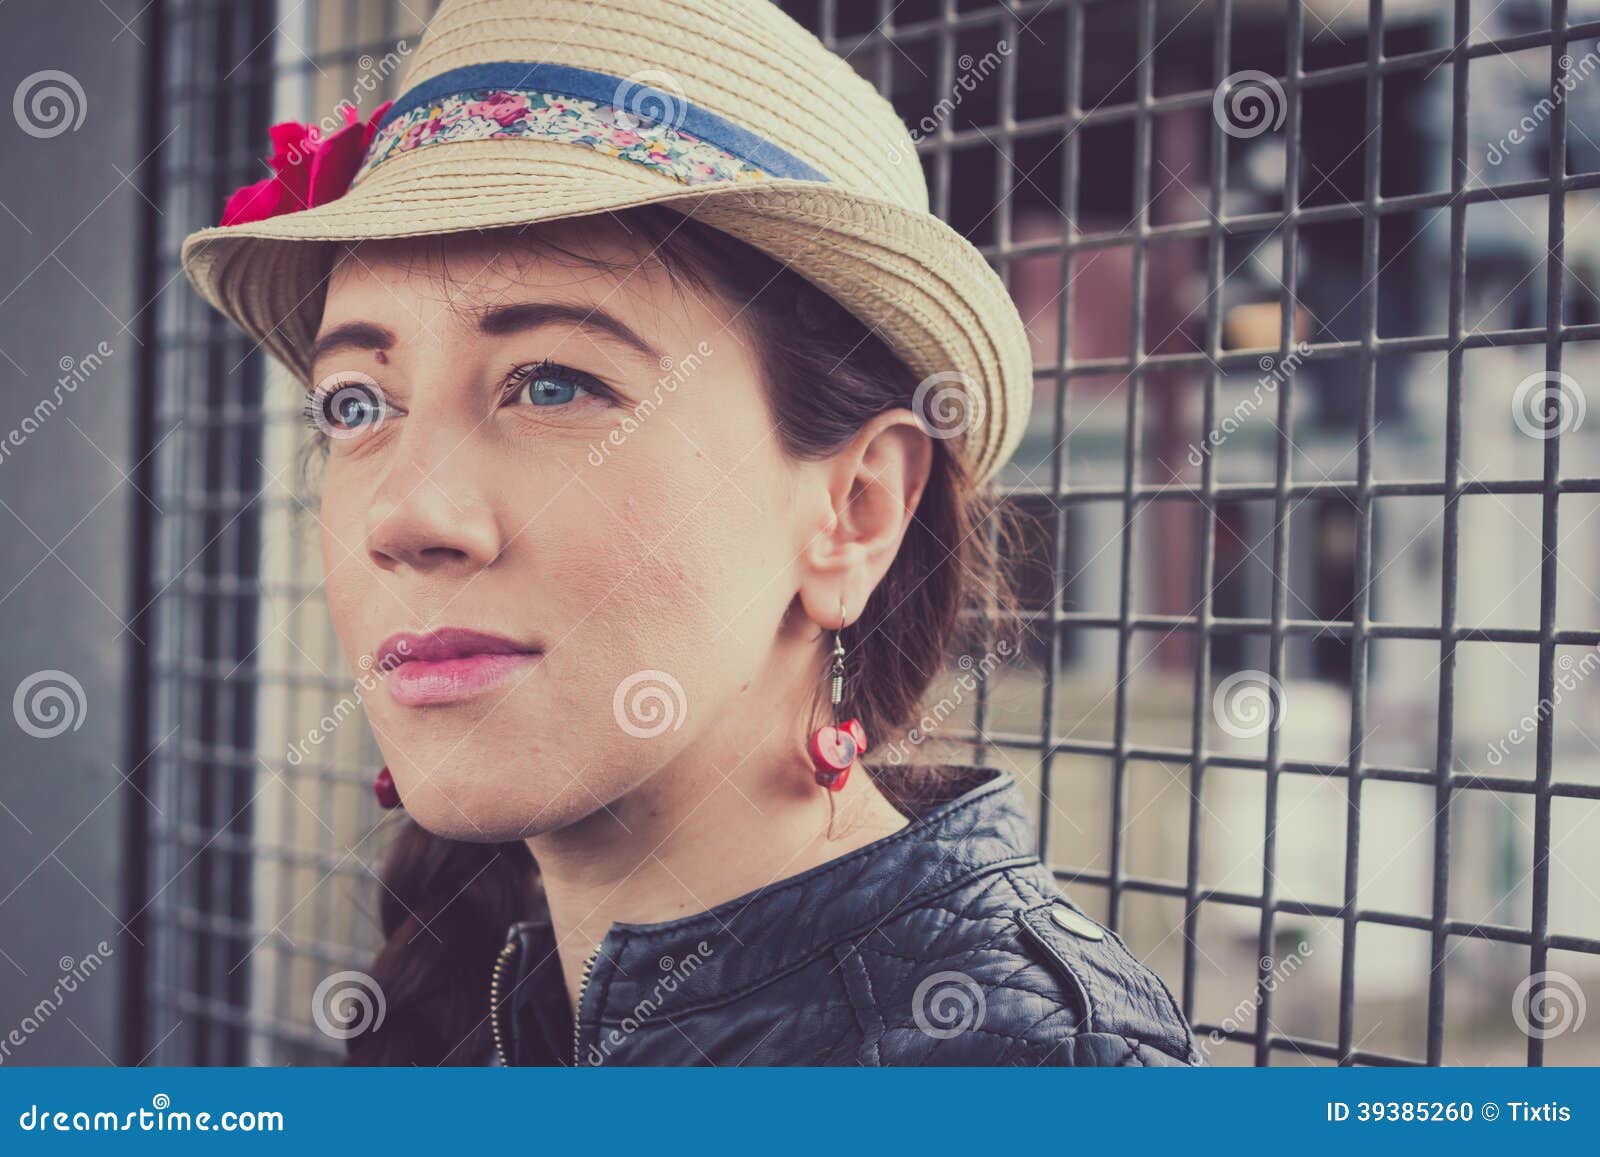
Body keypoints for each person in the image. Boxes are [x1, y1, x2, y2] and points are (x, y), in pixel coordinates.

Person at [180, 0, 1198, 1068]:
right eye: (355, 404)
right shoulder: (484, 1000)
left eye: (553, 383)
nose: (403, 517)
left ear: (855, 511)